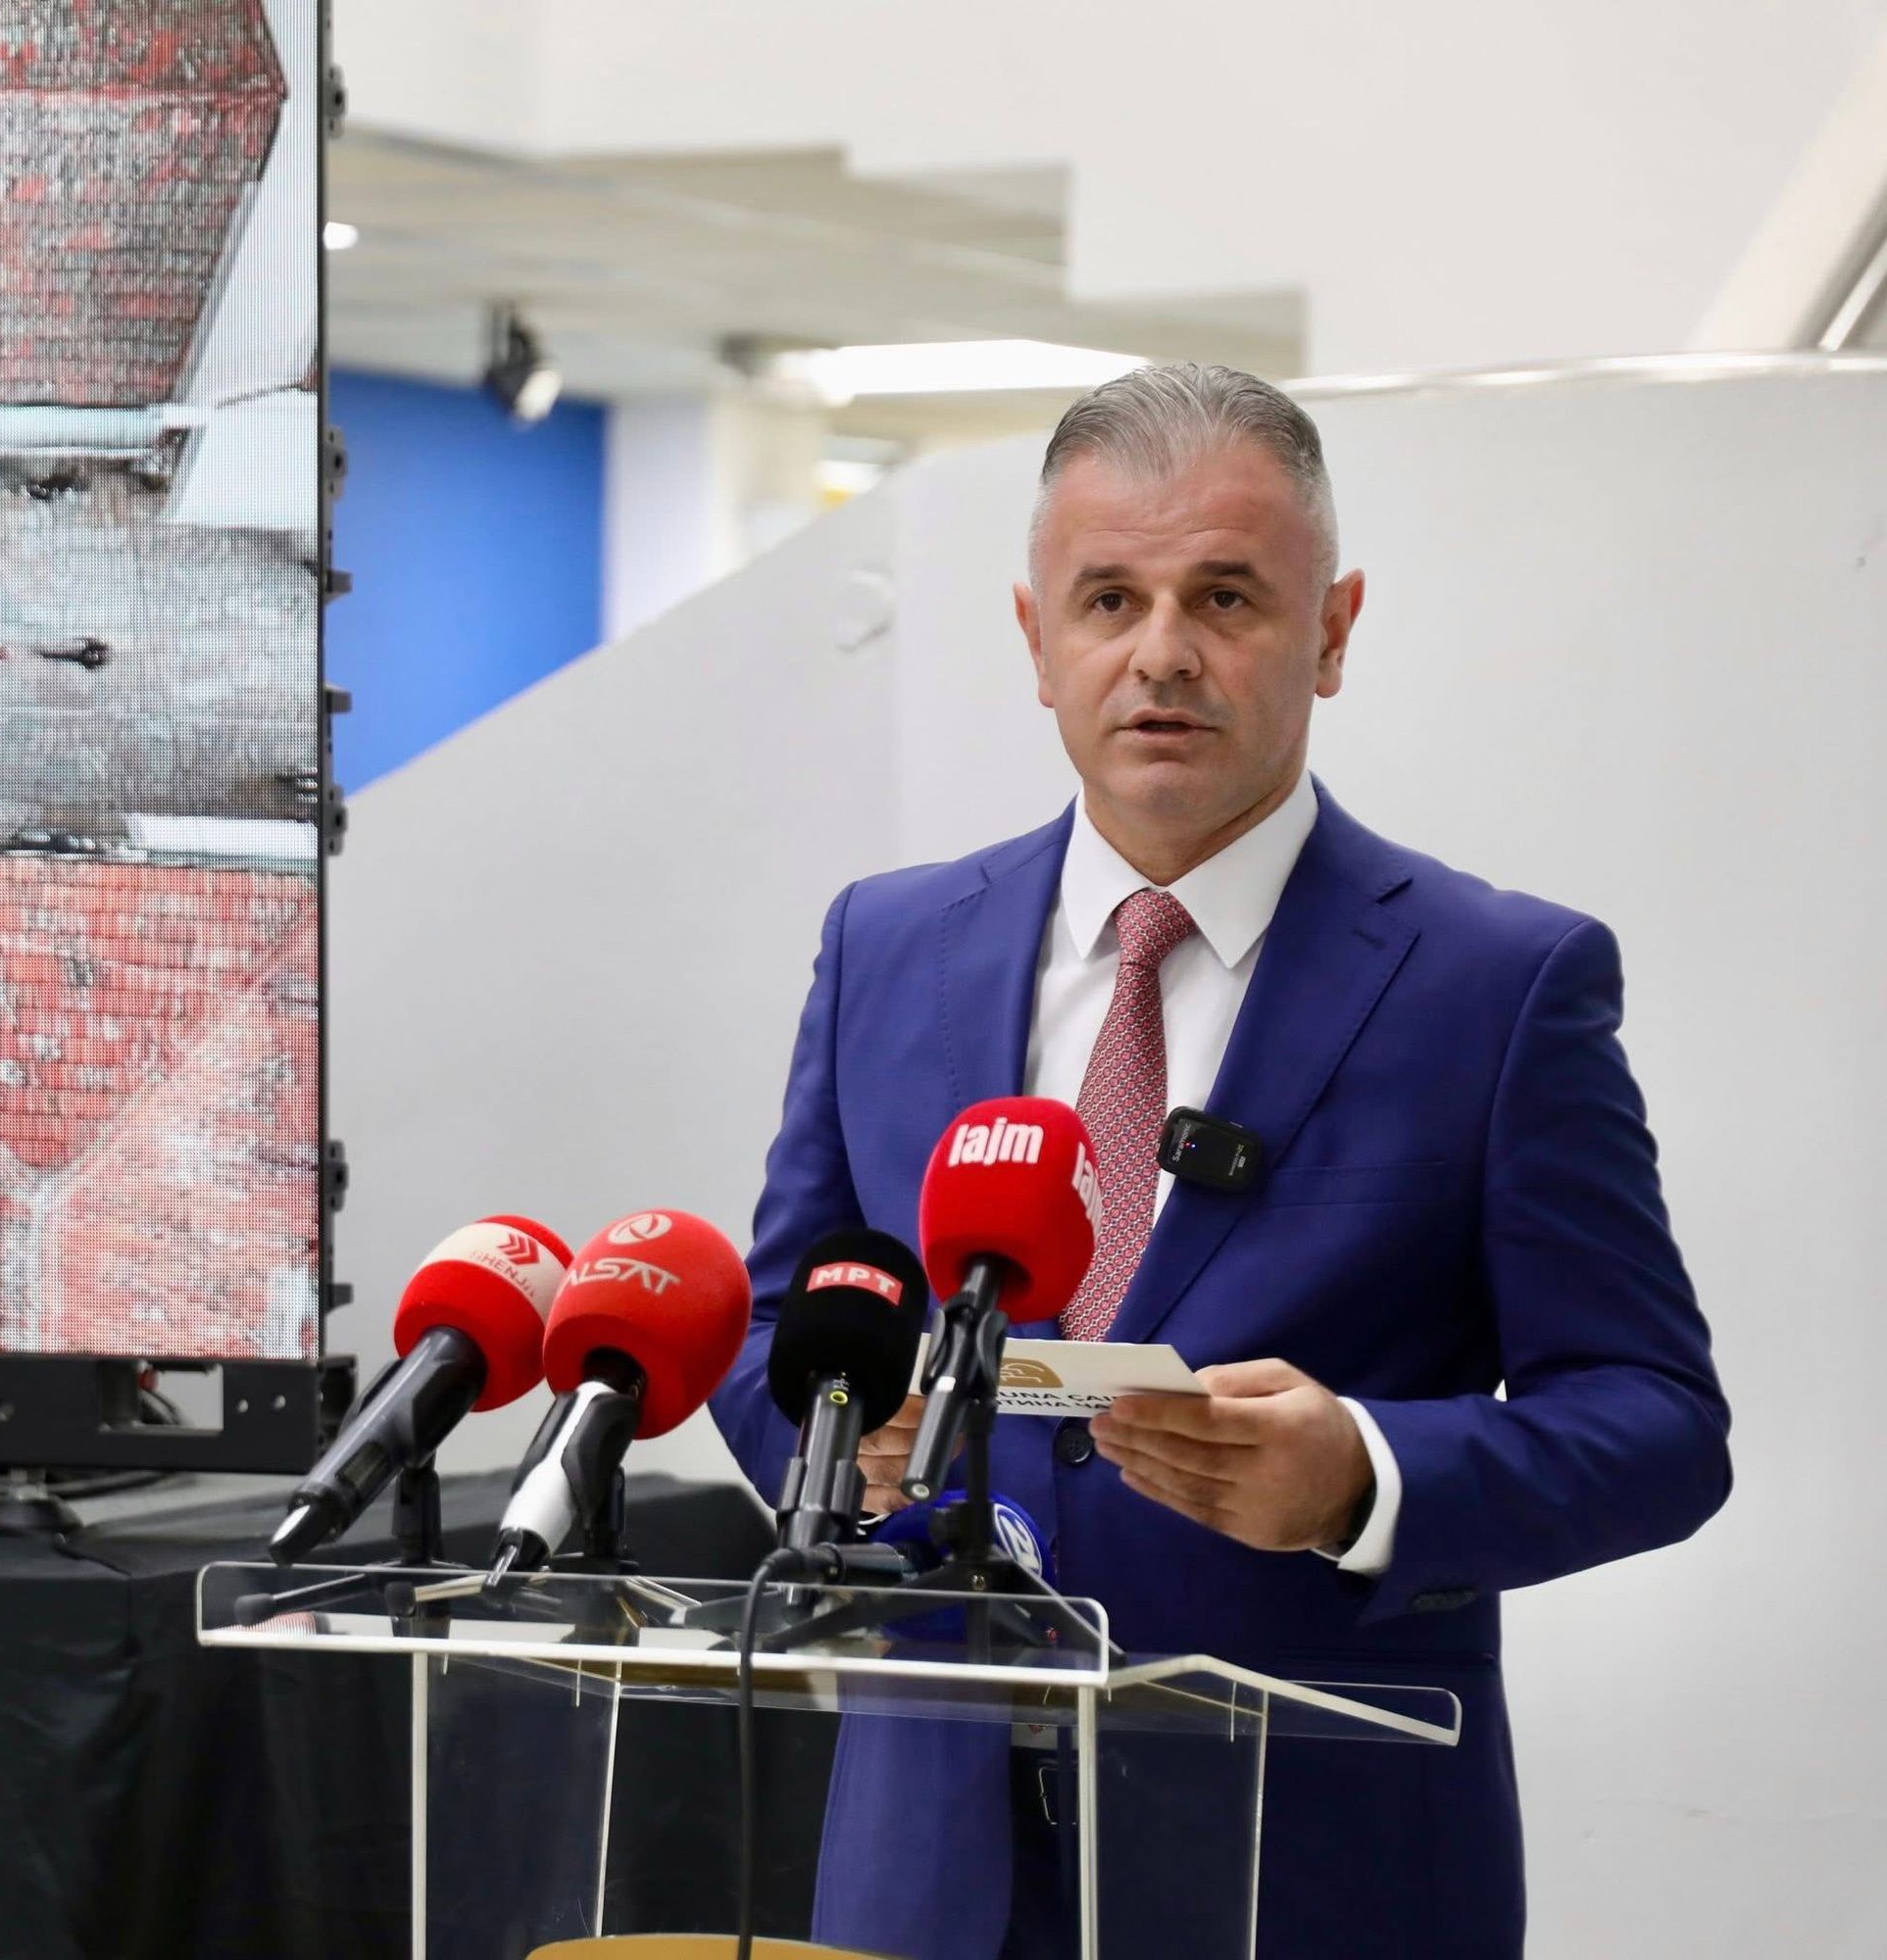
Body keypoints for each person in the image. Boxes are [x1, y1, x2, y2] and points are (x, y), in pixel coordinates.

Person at [709, 364, 1731, 1958]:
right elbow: (775, 1324)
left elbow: (1655, 1423)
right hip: (931, 1866)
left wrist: (1365, 1477)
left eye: (1226, 597)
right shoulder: (887, 945)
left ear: (1332, 630)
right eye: (1108, 599)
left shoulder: (1498, 984)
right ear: (1035, 638)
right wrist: (846, 1441)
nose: (1161, 653)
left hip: (1315, 1868)